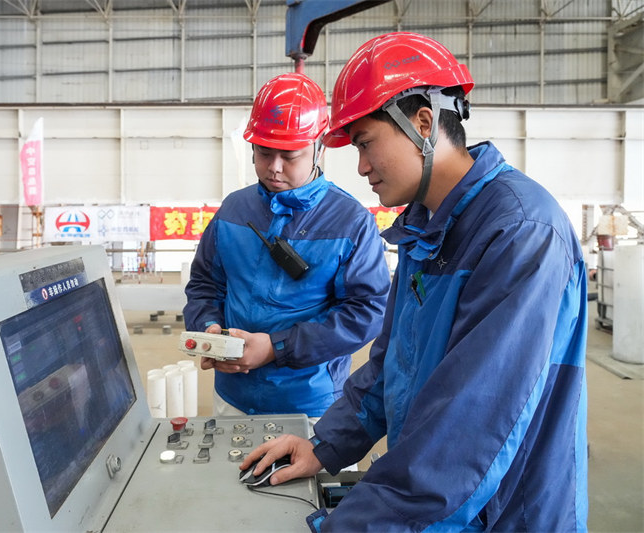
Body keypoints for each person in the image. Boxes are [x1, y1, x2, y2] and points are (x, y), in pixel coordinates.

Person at [240, 32, 589, 532]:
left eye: (365, 143)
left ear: (423, 122)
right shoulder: (428, 227)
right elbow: (390, 369)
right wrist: (323, 445)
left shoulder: (517, 231)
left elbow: (467, 435)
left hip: (503, 513)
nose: (360, 167)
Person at [183, 72, 391, 418]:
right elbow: (205, 284)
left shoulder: (350, 222)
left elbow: (366, 311)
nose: (274, 168)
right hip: (232, 397)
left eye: (289, 156)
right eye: (264, 153)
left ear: (319, 147)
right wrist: (209, 329)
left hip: (310, 406)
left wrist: (276, 348)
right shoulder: (234, 211)